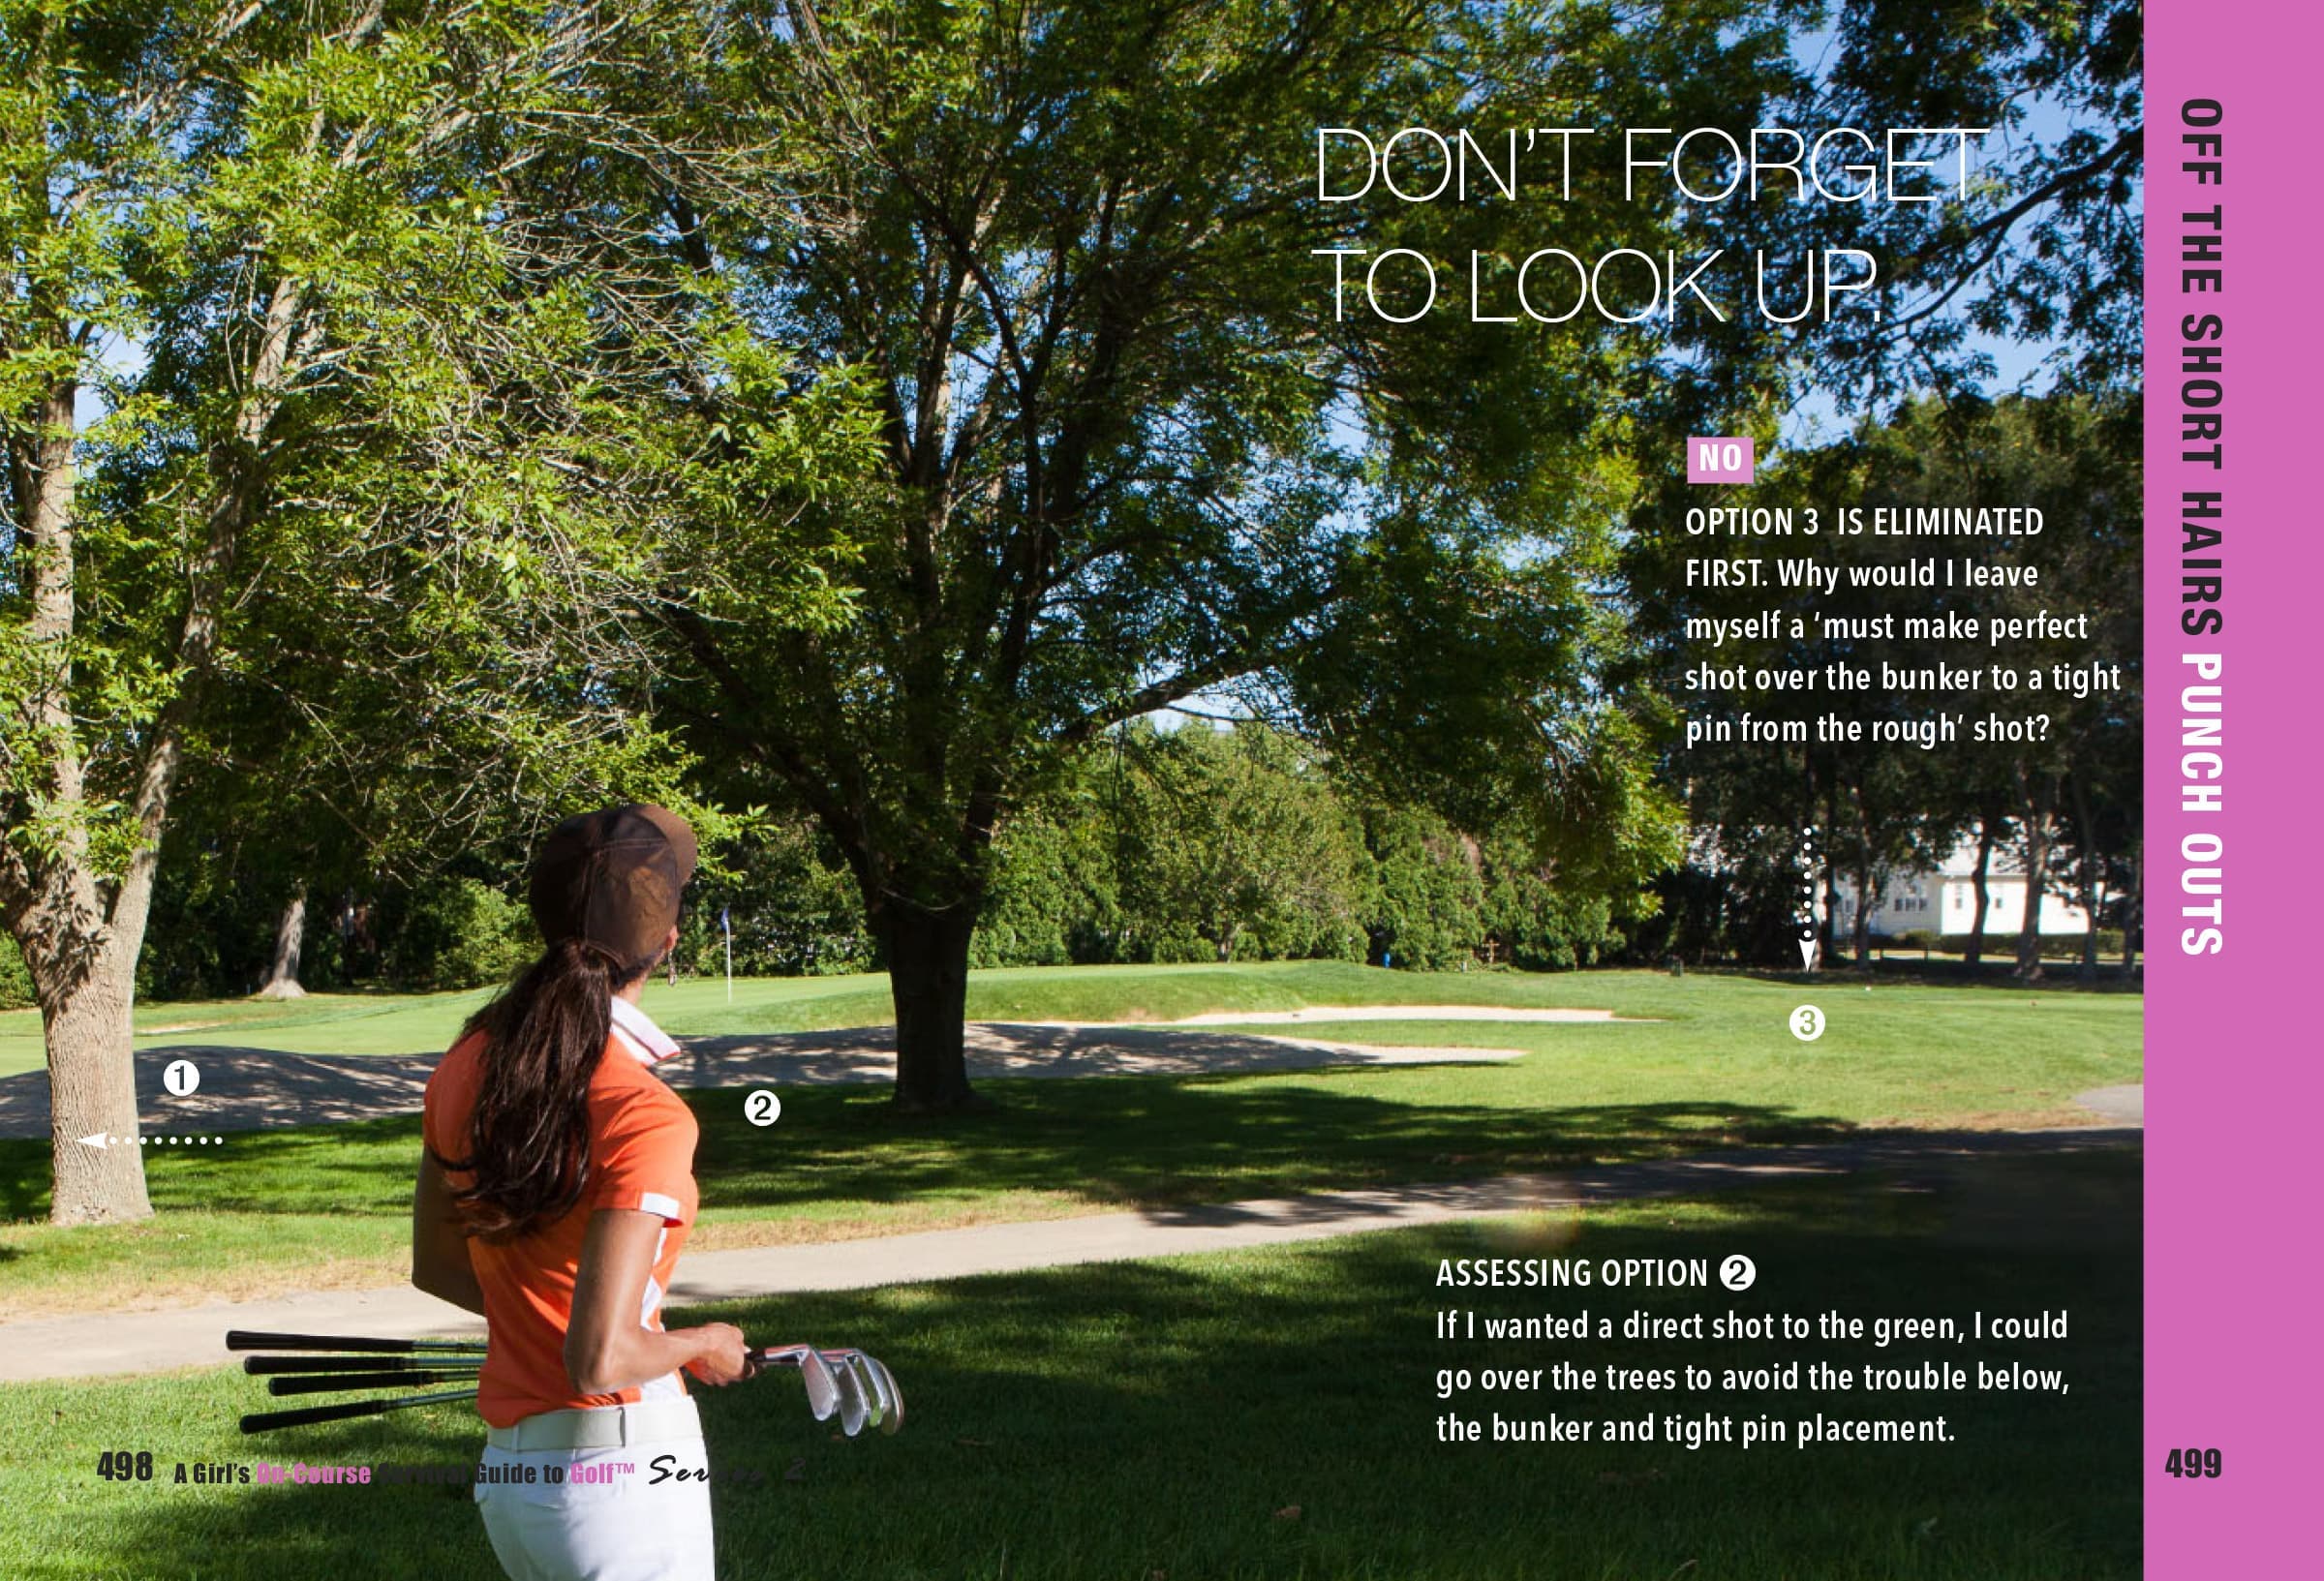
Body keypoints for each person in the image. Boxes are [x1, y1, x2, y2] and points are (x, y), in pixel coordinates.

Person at [412, 805, 750, 1581]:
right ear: (668, 943)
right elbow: (602, 1359)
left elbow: (439, 1265)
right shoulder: (646, 1112)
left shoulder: (462, 1067)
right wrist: (705, 1342)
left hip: (514, 1481)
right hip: (623, 1478)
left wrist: (559, 1325)